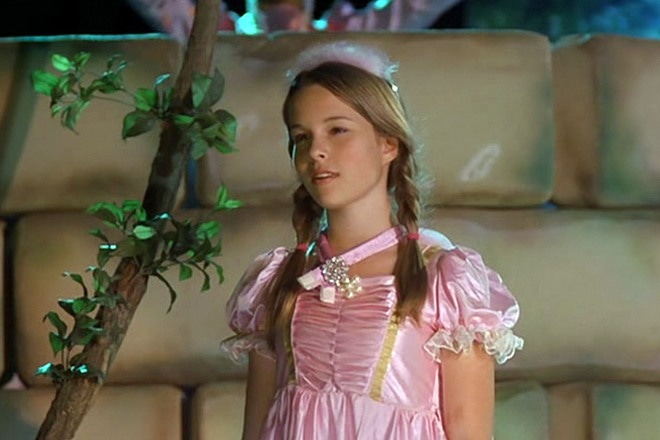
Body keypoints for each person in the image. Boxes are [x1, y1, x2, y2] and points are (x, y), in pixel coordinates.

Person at [220, 41, 524, 439]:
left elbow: (470, 431)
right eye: (302, 137)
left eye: (337, 130)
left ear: (388, 143)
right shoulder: (278, 281)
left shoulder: (442, 281)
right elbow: (257, 429)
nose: (317, 151)